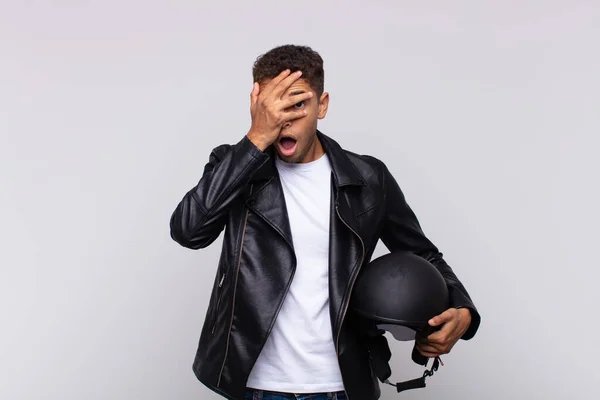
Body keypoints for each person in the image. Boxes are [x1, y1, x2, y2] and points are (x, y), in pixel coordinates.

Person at [169, 44, 480, 400]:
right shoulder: (234, 165)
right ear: (257, 108)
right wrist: (255, 140)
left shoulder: (368, 178)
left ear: (323, 105)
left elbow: (424, 255)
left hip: (342, 385)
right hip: (258, 386)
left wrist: (463, 310)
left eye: (298, 104)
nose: (283, 119)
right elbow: (188, 231)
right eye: (273, 107)